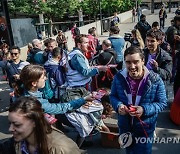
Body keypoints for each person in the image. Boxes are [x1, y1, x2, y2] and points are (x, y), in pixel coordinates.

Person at [110, 46, 167, 154]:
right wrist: (118, 106)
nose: (132, 66)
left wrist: (144, 109)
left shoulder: (155, 79)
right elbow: (113, 96)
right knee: (129, 151)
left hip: (145, 129)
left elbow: (162, 103)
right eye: (128, 62)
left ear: (143, 61)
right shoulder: (118, 77)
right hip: (125, 127)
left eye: (136, 62)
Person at [5, 96, 84, 154]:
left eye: (17, 125)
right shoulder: (18, 142)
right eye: (10, 123)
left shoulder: (61, 148)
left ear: (35, 122)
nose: (10, 129)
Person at [13, 64, 93, 115]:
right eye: (43, 77)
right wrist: (84, 99)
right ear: (34, 83)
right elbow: (62, 108)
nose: (46, 78)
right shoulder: (37, 103)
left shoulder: (23, 90)